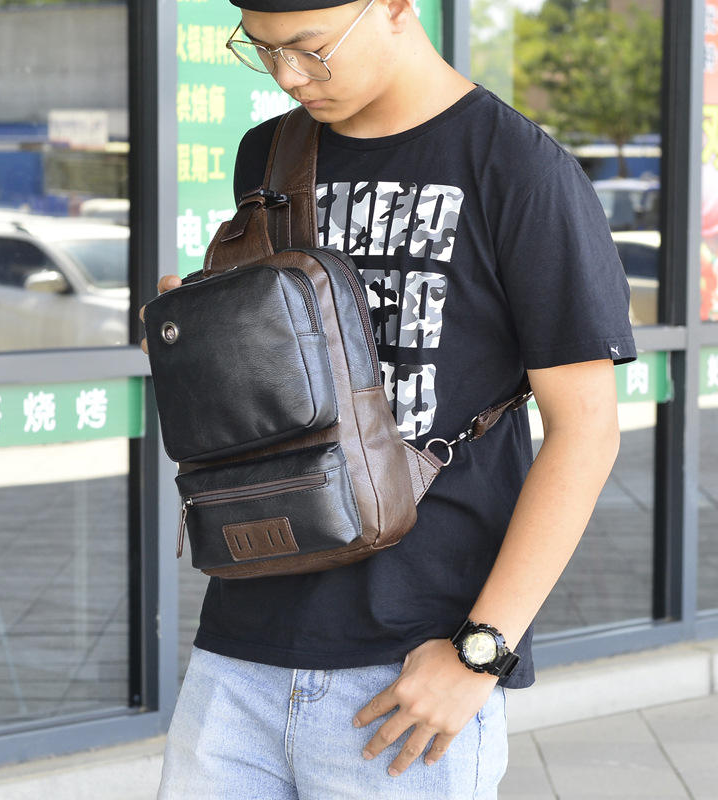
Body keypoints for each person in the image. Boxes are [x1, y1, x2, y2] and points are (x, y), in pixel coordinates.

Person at [146, 0, 637, 795]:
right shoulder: (269, 154)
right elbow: (279, 386)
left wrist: (481, 653)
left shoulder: (518, 169)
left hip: (412, 669)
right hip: (239, 649)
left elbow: (587, 431)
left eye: (309, 48)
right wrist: (201, 346)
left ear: (399, 8)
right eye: (263, 51)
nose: (289, 76)